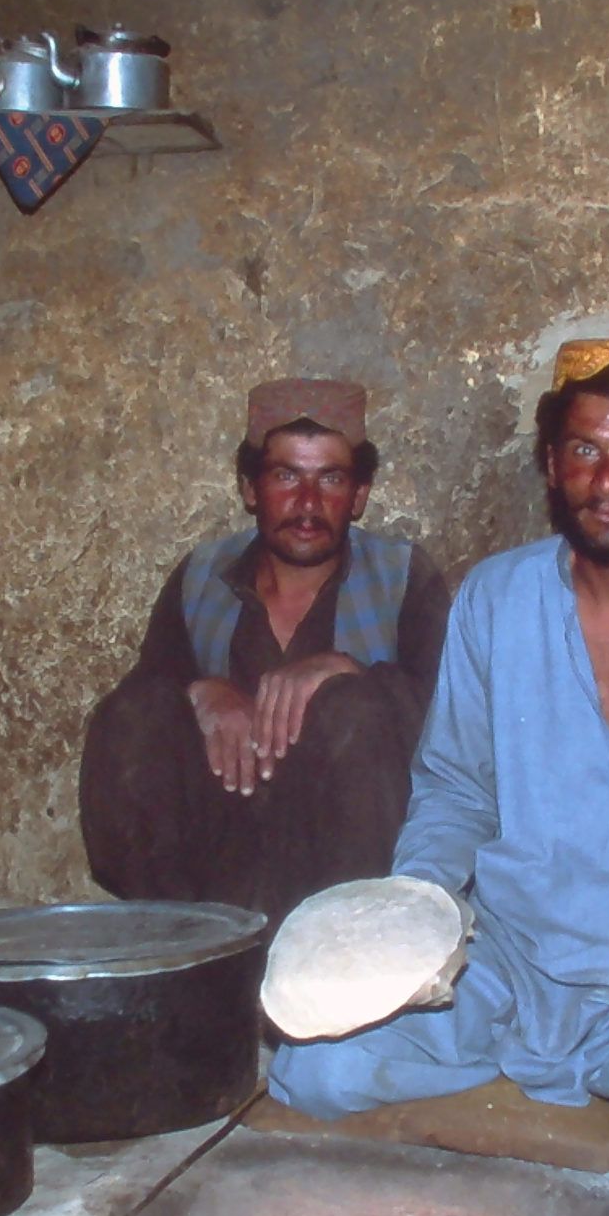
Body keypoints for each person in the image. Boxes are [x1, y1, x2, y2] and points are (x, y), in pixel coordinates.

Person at [268, 340, 609, 1166]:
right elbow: (455, 789)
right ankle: (554, 1077)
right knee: (314, 1069)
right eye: (584, 451)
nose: (608, 481)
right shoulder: (495, 597)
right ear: (550, 463)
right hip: (510, 964)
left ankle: (586, 1074)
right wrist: (417, 922)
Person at [80, 378, 450, 928]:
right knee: (131, 715)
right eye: (285, 476)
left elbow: (453, 723)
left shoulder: (402, 579)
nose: (308, 503)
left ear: (359, 496)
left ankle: (331, 952)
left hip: (343, 863)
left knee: (356, 710)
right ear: (250, 488)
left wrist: (348, 673)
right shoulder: (201, 577)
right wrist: (201, 692)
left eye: (331, 478)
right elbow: (146, 704)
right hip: (213, 863)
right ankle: (182, 946)